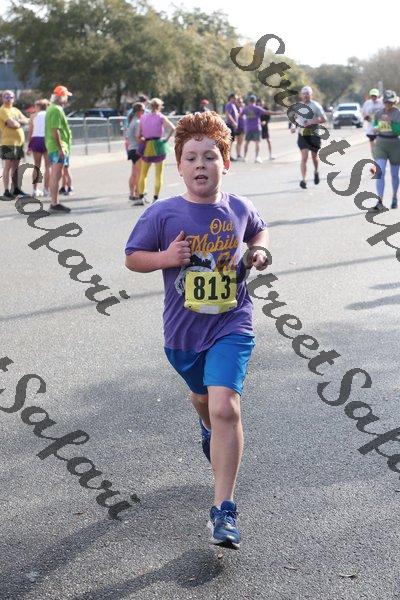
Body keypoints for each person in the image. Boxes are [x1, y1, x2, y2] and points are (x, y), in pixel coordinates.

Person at [125, 110, 269, 549]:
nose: (201, 164)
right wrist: (166, 258)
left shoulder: (239, 207)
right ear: (179, 166)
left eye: (210, 156)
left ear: (226, 162)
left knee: (226, 407)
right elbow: (132, 257)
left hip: (232, 322)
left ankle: (223, 510)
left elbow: (259, 232)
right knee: (204, 400)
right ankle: (206, 423)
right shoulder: (163, 213)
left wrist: (260, 254)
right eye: (191, 158)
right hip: (183, 335)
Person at [137, 97, 175, 203]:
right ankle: (155, 198)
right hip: (159, 145)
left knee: (143, 174)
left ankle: (141, 196)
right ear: (160, 107)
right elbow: (173, 128)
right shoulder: (161, 117)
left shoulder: (143, 117)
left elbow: (139, 135)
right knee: (158, 174)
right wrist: (166, 139)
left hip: (147, 145)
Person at [290, 86, 327, 189]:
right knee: (304, 158)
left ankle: (316, 171)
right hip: (302, 135)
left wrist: (312, 122)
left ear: (311, 95)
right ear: (301, 95)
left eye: (307, 94)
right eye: (304, 94)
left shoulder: (316, 106)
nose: (305, 95)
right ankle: (304, 180)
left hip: (314, 135)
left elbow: (324, 118)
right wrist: (293, 127)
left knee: (314, 157)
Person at [44, 85, 73, 213]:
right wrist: (61, 148)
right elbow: (55, 130)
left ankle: (55, 202)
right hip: (57, 147)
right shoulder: (56, 109)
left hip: (55, 146)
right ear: (61, 96)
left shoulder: (53, 108)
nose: (67, 98)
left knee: (58, 174)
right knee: (56, 174)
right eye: (66, 96)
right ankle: (54, 203)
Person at [371, 90, 400, 210]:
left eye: (391, 102)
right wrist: (375, 128)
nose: (388, 104)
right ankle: (380, 201)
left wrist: (390, 123)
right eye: (386, 102)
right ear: (383, 102)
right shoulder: (378, 113)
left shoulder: (398, 113)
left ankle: (394, 197)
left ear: (394, 102)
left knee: (394, 174)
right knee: (380, 171)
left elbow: (398, 130)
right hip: (381, 144)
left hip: (395, 145)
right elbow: (374, 125)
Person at [0, 89, 29, 200]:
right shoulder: (3, 110)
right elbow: (12, 124)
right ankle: (6, 190)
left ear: (14, 98)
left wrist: (19, 121)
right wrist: (18, 122)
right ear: (2, 98)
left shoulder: (16, 110)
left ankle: (16, 188)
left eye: (11, 97)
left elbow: (26, 120)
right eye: (6, 96)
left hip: (19, 143)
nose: (8, 98)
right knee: (7, 166)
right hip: (8, 143)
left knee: (16, 167)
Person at [27, 98, 50, 198]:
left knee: (36, 166)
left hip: (36, 139)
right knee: (48, 167)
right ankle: (46, 189)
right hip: (47, 139)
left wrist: (29, 146)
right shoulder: (49, 115)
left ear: (39, 106)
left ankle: (35, 189)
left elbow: (30, 131)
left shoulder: (33, 116)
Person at [125, 102, 145, 204]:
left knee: (134, 173)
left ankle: (131, 194)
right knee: (139, 174)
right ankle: (138, 194)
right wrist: (146, 140)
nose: (144, 112)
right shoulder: (137, 122)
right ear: (138, 111)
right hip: (137, 150)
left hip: (131, 149)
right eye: (143, 110)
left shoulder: (132, 121)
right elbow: (138, 138)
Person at [242, 95, 271, 163]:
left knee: (247, 142)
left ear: (249, 101)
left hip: (248, 128)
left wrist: (245, 121)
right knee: (257, 142)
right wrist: (278, 112)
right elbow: (266, 112)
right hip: (256, 128)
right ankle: (257, 157)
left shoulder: (245, 108)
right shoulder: (257, 108)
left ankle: (244, 157)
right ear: (254, 101)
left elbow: (240, 115)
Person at [362, 88, 384, 175]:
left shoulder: (382, 102)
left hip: (380, 129)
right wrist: (366, 117)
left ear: (378, 95)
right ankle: (376, 165)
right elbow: (363, 113)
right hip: (370, 129)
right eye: (372, 96)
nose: (374, 97)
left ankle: (377, 166)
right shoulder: (367, 103)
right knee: (373, 149)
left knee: (379, 148)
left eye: (375, 96)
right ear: (370, 96)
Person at [224, 93, 239, 161]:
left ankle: (229, 155)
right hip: (230, 125)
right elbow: (228, 114)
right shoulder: (229, 104)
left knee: (231, 141)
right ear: (231, 98)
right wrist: (234, 123)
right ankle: (227, 156)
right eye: (235, 98)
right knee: (229, 141)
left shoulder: (233, 105)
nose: (236, 99)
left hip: (232, 126)